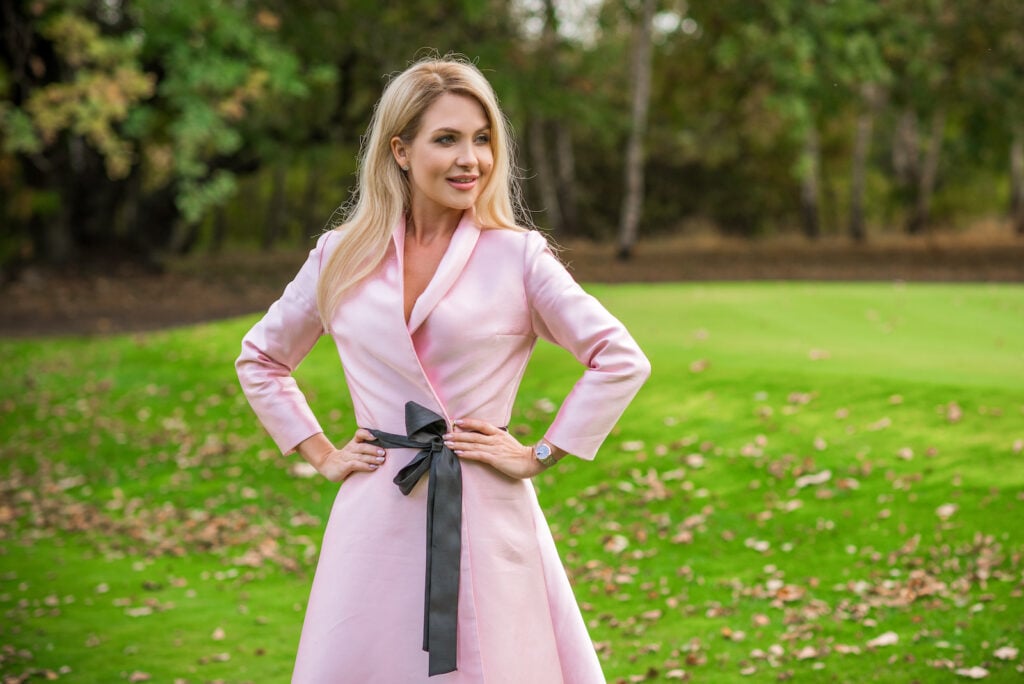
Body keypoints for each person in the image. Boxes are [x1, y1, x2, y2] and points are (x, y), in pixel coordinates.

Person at [235, 55, 650, 683]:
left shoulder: (518, 257)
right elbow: (262, 359)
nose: (471, 159)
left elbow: (619, 358)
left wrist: (539, 453)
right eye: (447, 139)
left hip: (486, 510)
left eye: (482, 140)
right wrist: (319, 452)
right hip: (377, 517)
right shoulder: (340, 256)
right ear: (400, 150)